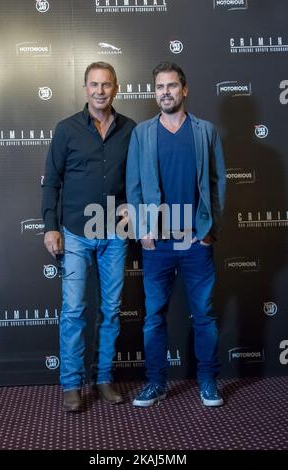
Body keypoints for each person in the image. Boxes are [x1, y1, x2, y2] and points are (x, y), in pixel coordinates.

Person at [126, 61, 226, 407]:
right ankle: (155, 383)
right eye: (159, 87)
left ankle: (209, 382)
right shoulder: (142, 134)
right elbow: (134, 188)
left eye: (171, 86)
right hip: (158, 243)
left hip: (196, 240)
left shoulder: (205, 131)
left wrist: (211, 229)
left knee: (204, 315)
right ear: (154, 92)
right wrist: (143, 231)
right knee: (154, 317)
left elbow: (216, 183)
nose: (165, 92)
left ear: (184, 90)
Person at [42, 62, 136, 412]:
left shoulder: (131, 130)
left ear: (116, 88)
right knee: (74, 311)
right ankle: (71, 384)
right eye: (94, 84)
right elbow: (51, 182)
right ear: (85, 89)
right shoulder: (66, 130)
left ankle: (104, 379)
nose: (100, 90)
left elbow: (136, 181)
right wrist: (50, 226)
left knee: (111, 311)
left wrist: (130, 207)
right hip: (76, 234)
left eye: (106, 85)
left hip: (115, 233)